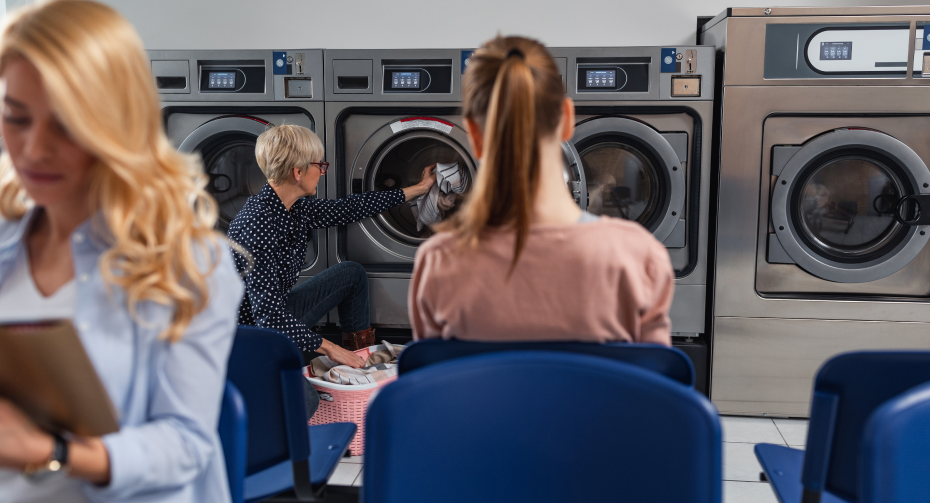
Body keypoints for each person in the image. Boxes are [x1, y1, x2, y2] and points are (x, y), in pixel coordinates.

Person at [0, 2, 243, 502]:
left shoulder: (189, 262)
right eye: (15, 118)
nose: (33, 149)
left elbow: (186, 442)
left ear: (117, 124)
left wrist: (49, 452)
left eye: (64, 125)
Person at [409, 36, 674, 346]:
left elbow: (432, 384)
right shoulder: (638, 255)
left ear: (476, 138)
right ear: (566, 119)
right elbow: (654, 386)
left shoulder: (439, 260)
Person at [227, 124, 435, 369]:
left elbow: (349, 208)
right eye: (319, 165)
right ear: (298, 172)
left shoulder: (294, 208)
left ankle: (361, 364)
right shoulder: (258, 225)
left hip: (275, 314)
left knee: (350, 274)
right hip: (249, 339)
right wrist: (330, 348)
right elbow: (269, 320)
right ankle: (343, 362)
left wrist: (419, 189)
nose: (322, 172)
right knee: (308, 402)